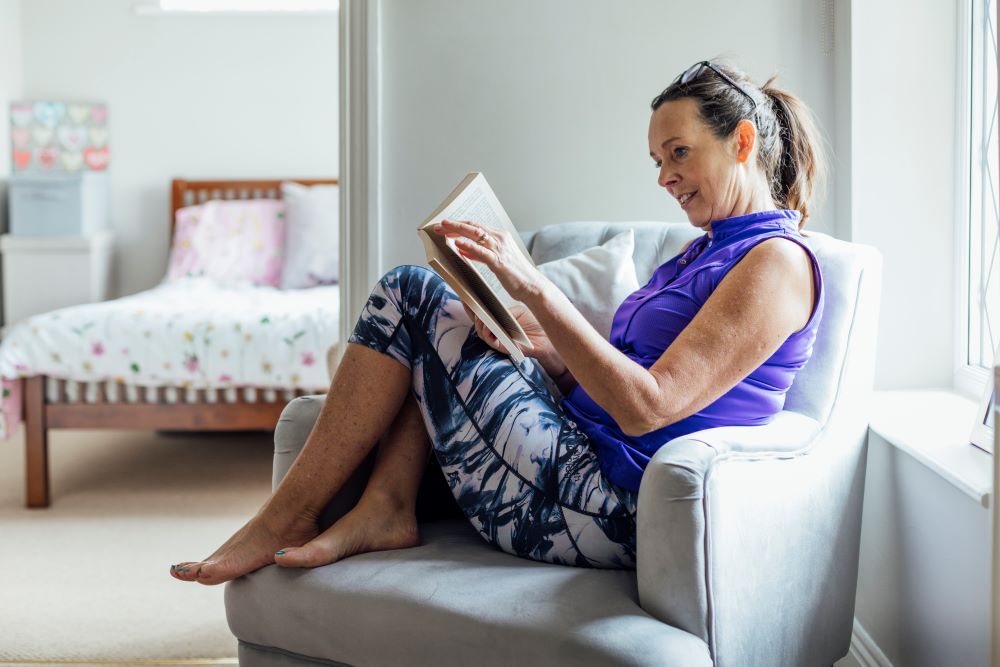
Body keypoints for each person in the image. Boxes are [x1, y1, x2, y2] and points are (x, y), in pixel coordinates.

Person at [170, 58, 827, 582]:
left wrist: (536, 287)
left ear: (742, 142)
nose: (664, 176)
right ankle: (385, 506)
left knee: (408, 291)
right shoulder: (706, 250)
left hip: (606, 506)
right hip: (577, 454)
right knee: (444, 310)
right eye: (658, 161)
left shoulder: (776, 264)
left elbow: (647, 408)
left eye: (679, 153)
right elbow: (622, 375)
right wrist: (535, 347)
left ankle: (287, 516)